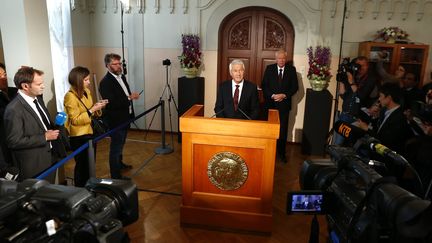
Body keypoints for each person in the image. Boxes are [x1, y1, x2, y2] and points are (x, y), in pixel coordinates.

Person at [3, 67, 59, 182]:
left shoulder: (38, 99)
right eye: (39, 84)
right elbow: (14, 141)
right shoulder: (14, 109)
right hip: (34, 165)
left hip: (50, 157)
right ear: (25, 86)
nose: (43, 86)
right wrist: (44, 137)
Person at [64, 66, 107, 186]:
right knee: (82, 166)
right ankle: (80, 189)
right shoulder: (70, 96)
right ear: (78, 80)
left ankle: (90, 186)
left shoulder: (86, 92)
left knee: (90, 164)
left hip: (90, 132)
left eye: (88, 79)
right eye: (86, 80)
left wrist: (98, 107)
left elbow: (90, 110)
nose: (89, 82)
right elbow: (75, 120)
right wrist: (93, 109)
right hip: (79, 136)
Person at [99, 53, 140, 179]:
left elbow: (124, 94)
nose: (118, 66)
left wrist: (129, 97)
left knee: (121, 144)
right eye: (115, 64)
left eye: (119, 63)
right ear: (108, 66)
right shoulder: (105, 82)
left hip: (125, 117)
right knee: (116, 147)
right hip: (115, 120)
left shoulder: (121, 77)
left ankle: (120, 165)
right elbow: (110, 103)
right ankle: (115, 175)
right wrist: (129, 97)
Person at [261, 49, 298, 163]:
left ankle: (281, 154)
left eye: (283, 58)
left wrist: (284, 95)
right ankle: (268, 153)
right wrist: (273, 95)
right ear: (276, 59)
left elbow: (295, 87)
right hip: (270, 104)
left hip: (284, 106)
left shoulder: (291, 70)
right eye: (279, 58)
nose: (281, 60)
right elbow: (264, 85)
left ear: (285, 59)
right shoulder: (269, 69)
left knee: (283, 130)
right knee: (269, 130)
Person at [0, 63, 18, 168]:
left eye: (4, 74)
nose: (3, 77)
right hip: (4, 144)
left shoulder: (13, 90)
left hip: (18, 141)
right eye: (0, 75)